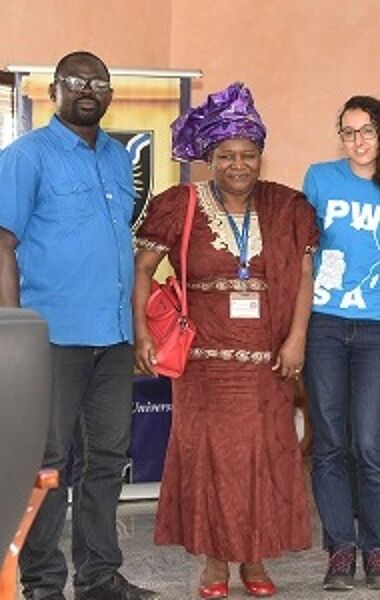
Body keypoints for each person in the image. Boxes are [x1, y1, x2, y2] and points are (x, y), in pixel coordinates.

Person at [132, 82, 316, 600]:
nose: (239, 164)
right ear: (210, 159)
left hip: (266, 362)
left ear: (261, 157)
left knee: (261, 459)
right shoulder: (180, 204)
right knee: (209, 460)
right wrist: (142, 333)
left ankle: (254, 559)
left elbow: (304, 276)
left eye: (248, 154)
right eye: (227, 156)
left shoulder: (286, 207)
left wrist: (297, 339)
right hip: (201, 365)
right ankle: (214, 563)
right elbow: (142, 269)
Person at [0, 50, 158, 600]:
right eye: (76, 81)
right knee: (46, 464)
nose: (88, 90)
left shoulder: (117, 158)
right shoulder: (26, 156)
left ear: (110, 94)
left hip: (112, 337)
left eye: (99, 83)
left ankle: (98, 578)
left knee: (106, 460)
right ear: (55, 91)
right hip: (51, 338)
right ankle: (43, 583)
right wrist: (13, 330)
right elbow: (3, 243)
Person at [303, 96, 380, 591]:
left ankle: (377, 550)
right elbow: (303, 258)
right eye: (349, 132)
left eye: (367, 131)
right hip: (325, 326)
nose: (358, 141)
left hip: (378, 329)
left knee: (371, 444)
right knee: (329, 443)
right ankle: (340, 549)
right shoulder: (319, 179)